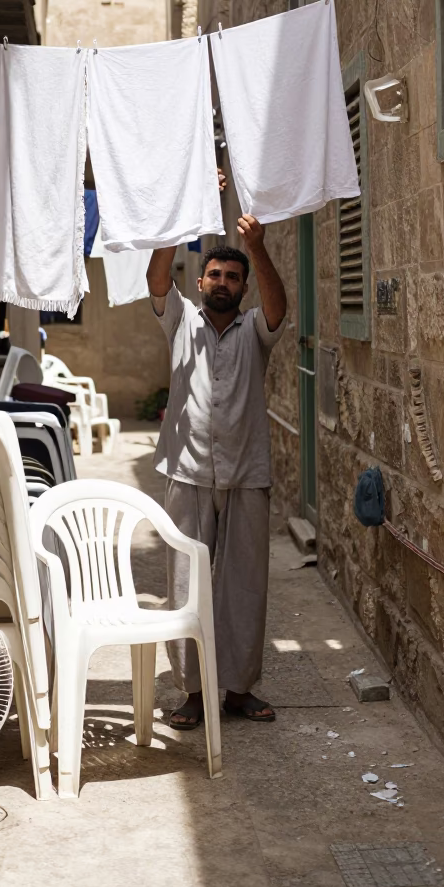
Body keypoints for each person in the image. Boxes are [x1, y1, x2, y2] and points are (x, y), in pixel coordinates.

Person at [146, 173, 287, 726]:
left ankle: (238, 689)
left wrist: (258, 248)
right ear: (200, 281)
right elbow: (158, 276)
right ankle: (194, 690)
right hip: (188, 470)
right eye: (215, 274)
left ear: (243, 287)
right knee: (187, 582)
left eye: (233, 276)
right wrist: (185, 214)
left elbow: (280, 307)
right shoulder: (180, 321)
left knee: (244, 585)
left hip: (247, 471)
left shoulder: (257, 327)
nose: (223, 282)